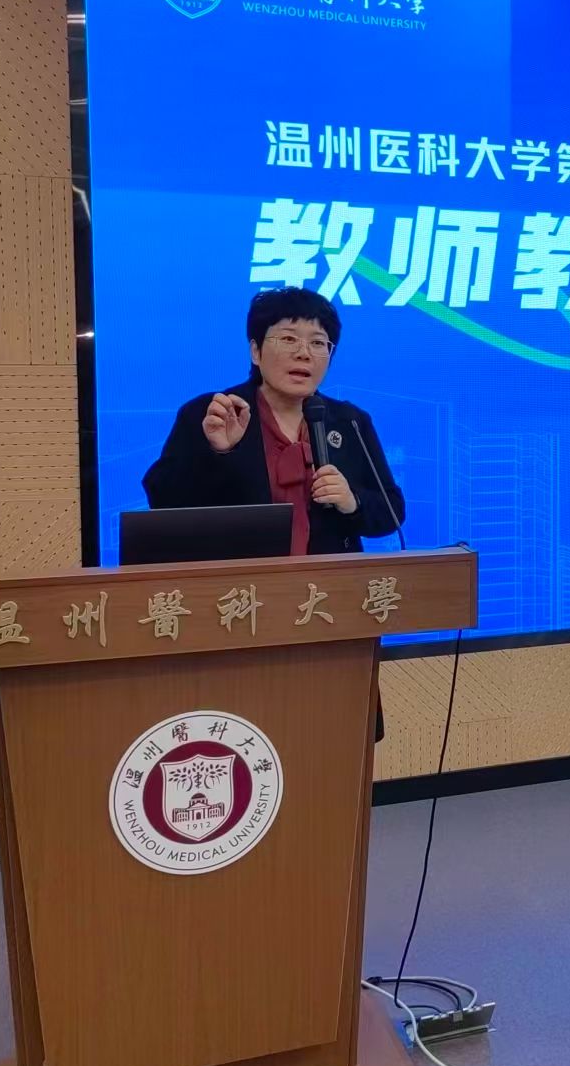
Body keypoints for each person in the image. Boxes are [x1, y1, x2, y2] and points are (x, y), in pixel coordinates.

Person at [143, 287, 406, 738]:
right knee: (245, 740)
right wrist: (217, 453)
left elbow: (392, 511)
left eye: (319, 342)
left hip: (329, 612)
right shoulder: (214, 413)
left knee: (335, 736)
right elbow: (163, 501)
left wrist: (353, 501)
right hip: (239, 613)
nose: (305, 353)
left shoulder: (349, 421)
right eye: (288, 338)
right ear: (255, 350)